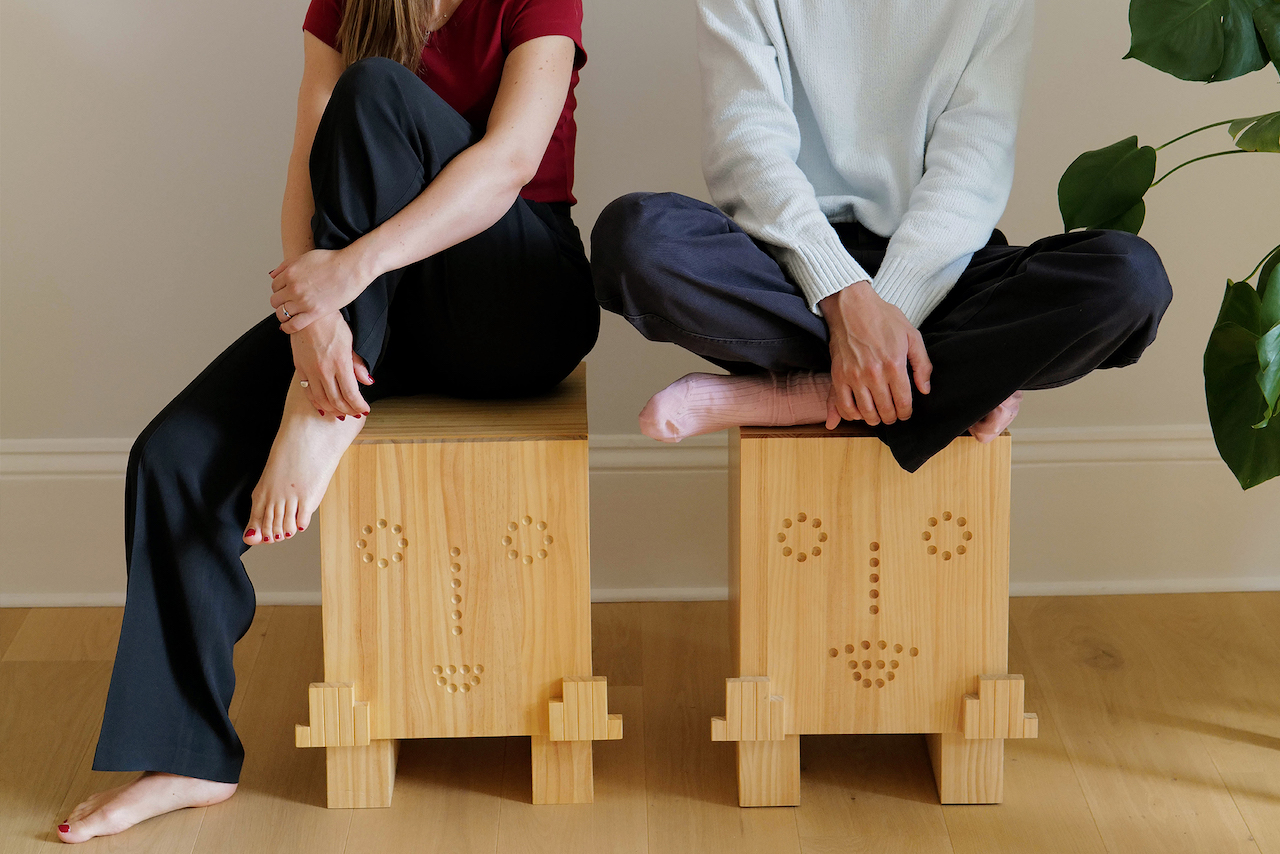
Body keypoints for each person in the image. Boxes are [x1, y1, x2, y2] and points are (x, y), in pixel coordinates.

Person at [57, 0, 596, 842]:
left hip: (517, 299)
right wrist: (315, 324)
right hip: (382, 309)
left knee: (377, 91)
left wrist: (348, 276)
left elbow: (509, 163)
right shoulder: (345, 3)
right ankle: (187, 753)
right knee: (173, 456)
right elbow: (308, 172)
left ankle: (323, 416)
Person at [590, 0, 1172, 472]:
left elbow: (971, 168)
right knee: (638, 237)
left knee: (1129, 279)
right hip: (789, 264)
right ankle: (954, 384)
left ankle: (800, 396)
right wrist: (844, 296)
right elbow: (748, 149)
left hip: (941, 265)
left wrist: (885, 313)